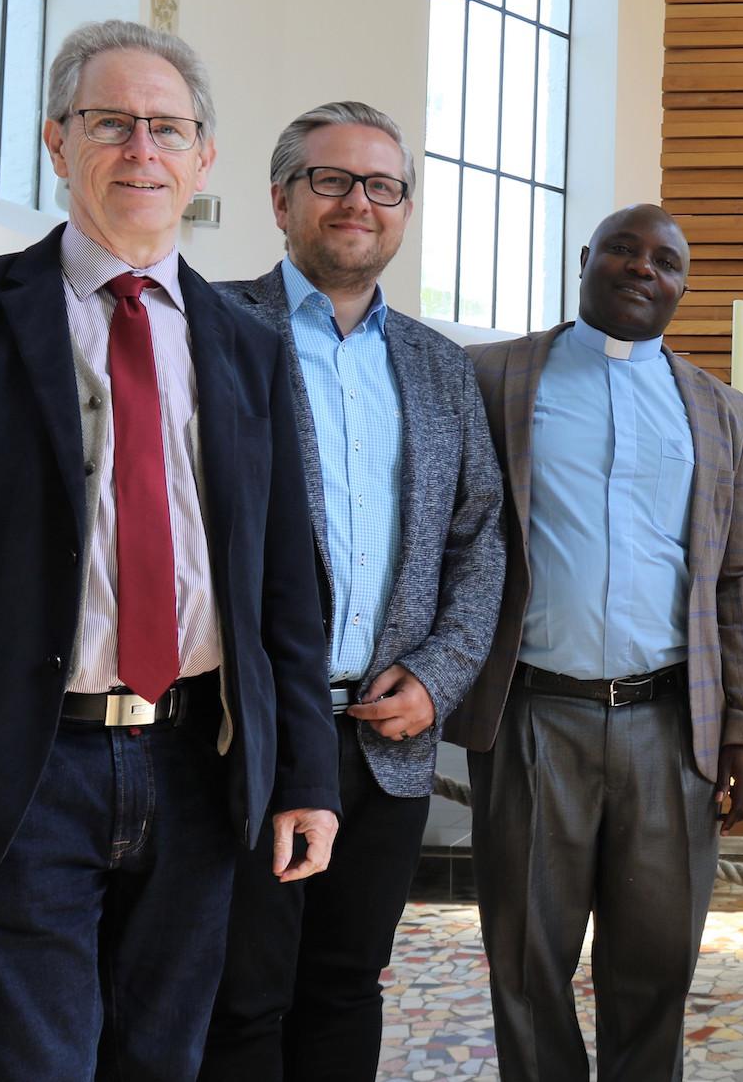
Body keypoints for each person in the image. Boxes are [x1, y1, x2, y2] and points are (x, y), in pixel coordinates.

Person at [0, 20, 339, 1081]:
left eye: (167, 128)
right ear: (56, 142)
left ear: (204, 157)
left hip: (198, 765)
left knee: (163, 1062)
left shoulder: (249, 348)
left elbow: (285, 585)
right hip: (22, 768)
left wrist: (306, 771)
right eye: (110, 123)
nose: (141, 150)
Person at [198, 101, 505, 1081]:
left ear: (405, 210)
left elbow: (479, 534)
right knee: (240, 993)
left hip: (385, 739)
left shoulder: (440, 367)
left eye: (382, 186)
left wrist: (438, 674)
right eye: (331, 180)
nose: (357, 203)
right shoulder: (209, 328)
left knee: (344, 983)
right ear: (282, 198)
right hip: (240, 732)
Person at [451, 203, 743, 1082]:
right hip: (533, 714)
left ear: (682, 286)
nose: (644, 269)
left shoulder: (718, 410)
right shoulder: (493, 377)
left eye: (666, 261)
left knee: (658, 964)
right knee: (527, 964)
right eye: (624, 251)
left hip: (669, 724)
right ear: (585, 259)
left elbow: (739, 575)